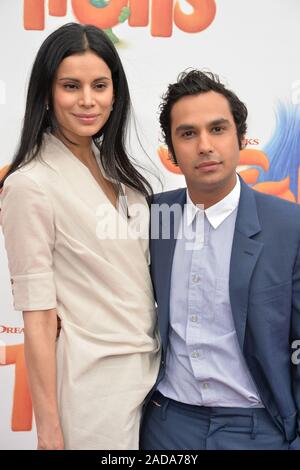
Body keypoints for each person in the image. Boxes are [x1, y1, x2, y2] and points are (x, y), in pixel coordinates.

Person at [0, 23, 160, 450]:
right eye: (71, 86)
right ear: (47, 94)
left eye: (100, 85)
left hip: (155, 381)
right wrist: (48, 427)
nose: (88, 101)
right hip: (91, 389)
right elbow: (37, 316)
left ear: (115, 93)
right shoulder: (28, 185)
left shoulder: (124, 179)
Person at [140, 70, 300, 450]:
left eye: (218, 129)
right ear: (172, 150)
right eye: (188, 133)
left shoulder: (288, 225)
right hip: (167, 425)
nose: (205, 146)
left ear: (241, 138)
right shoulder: (153, 216)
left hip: (259, 429)